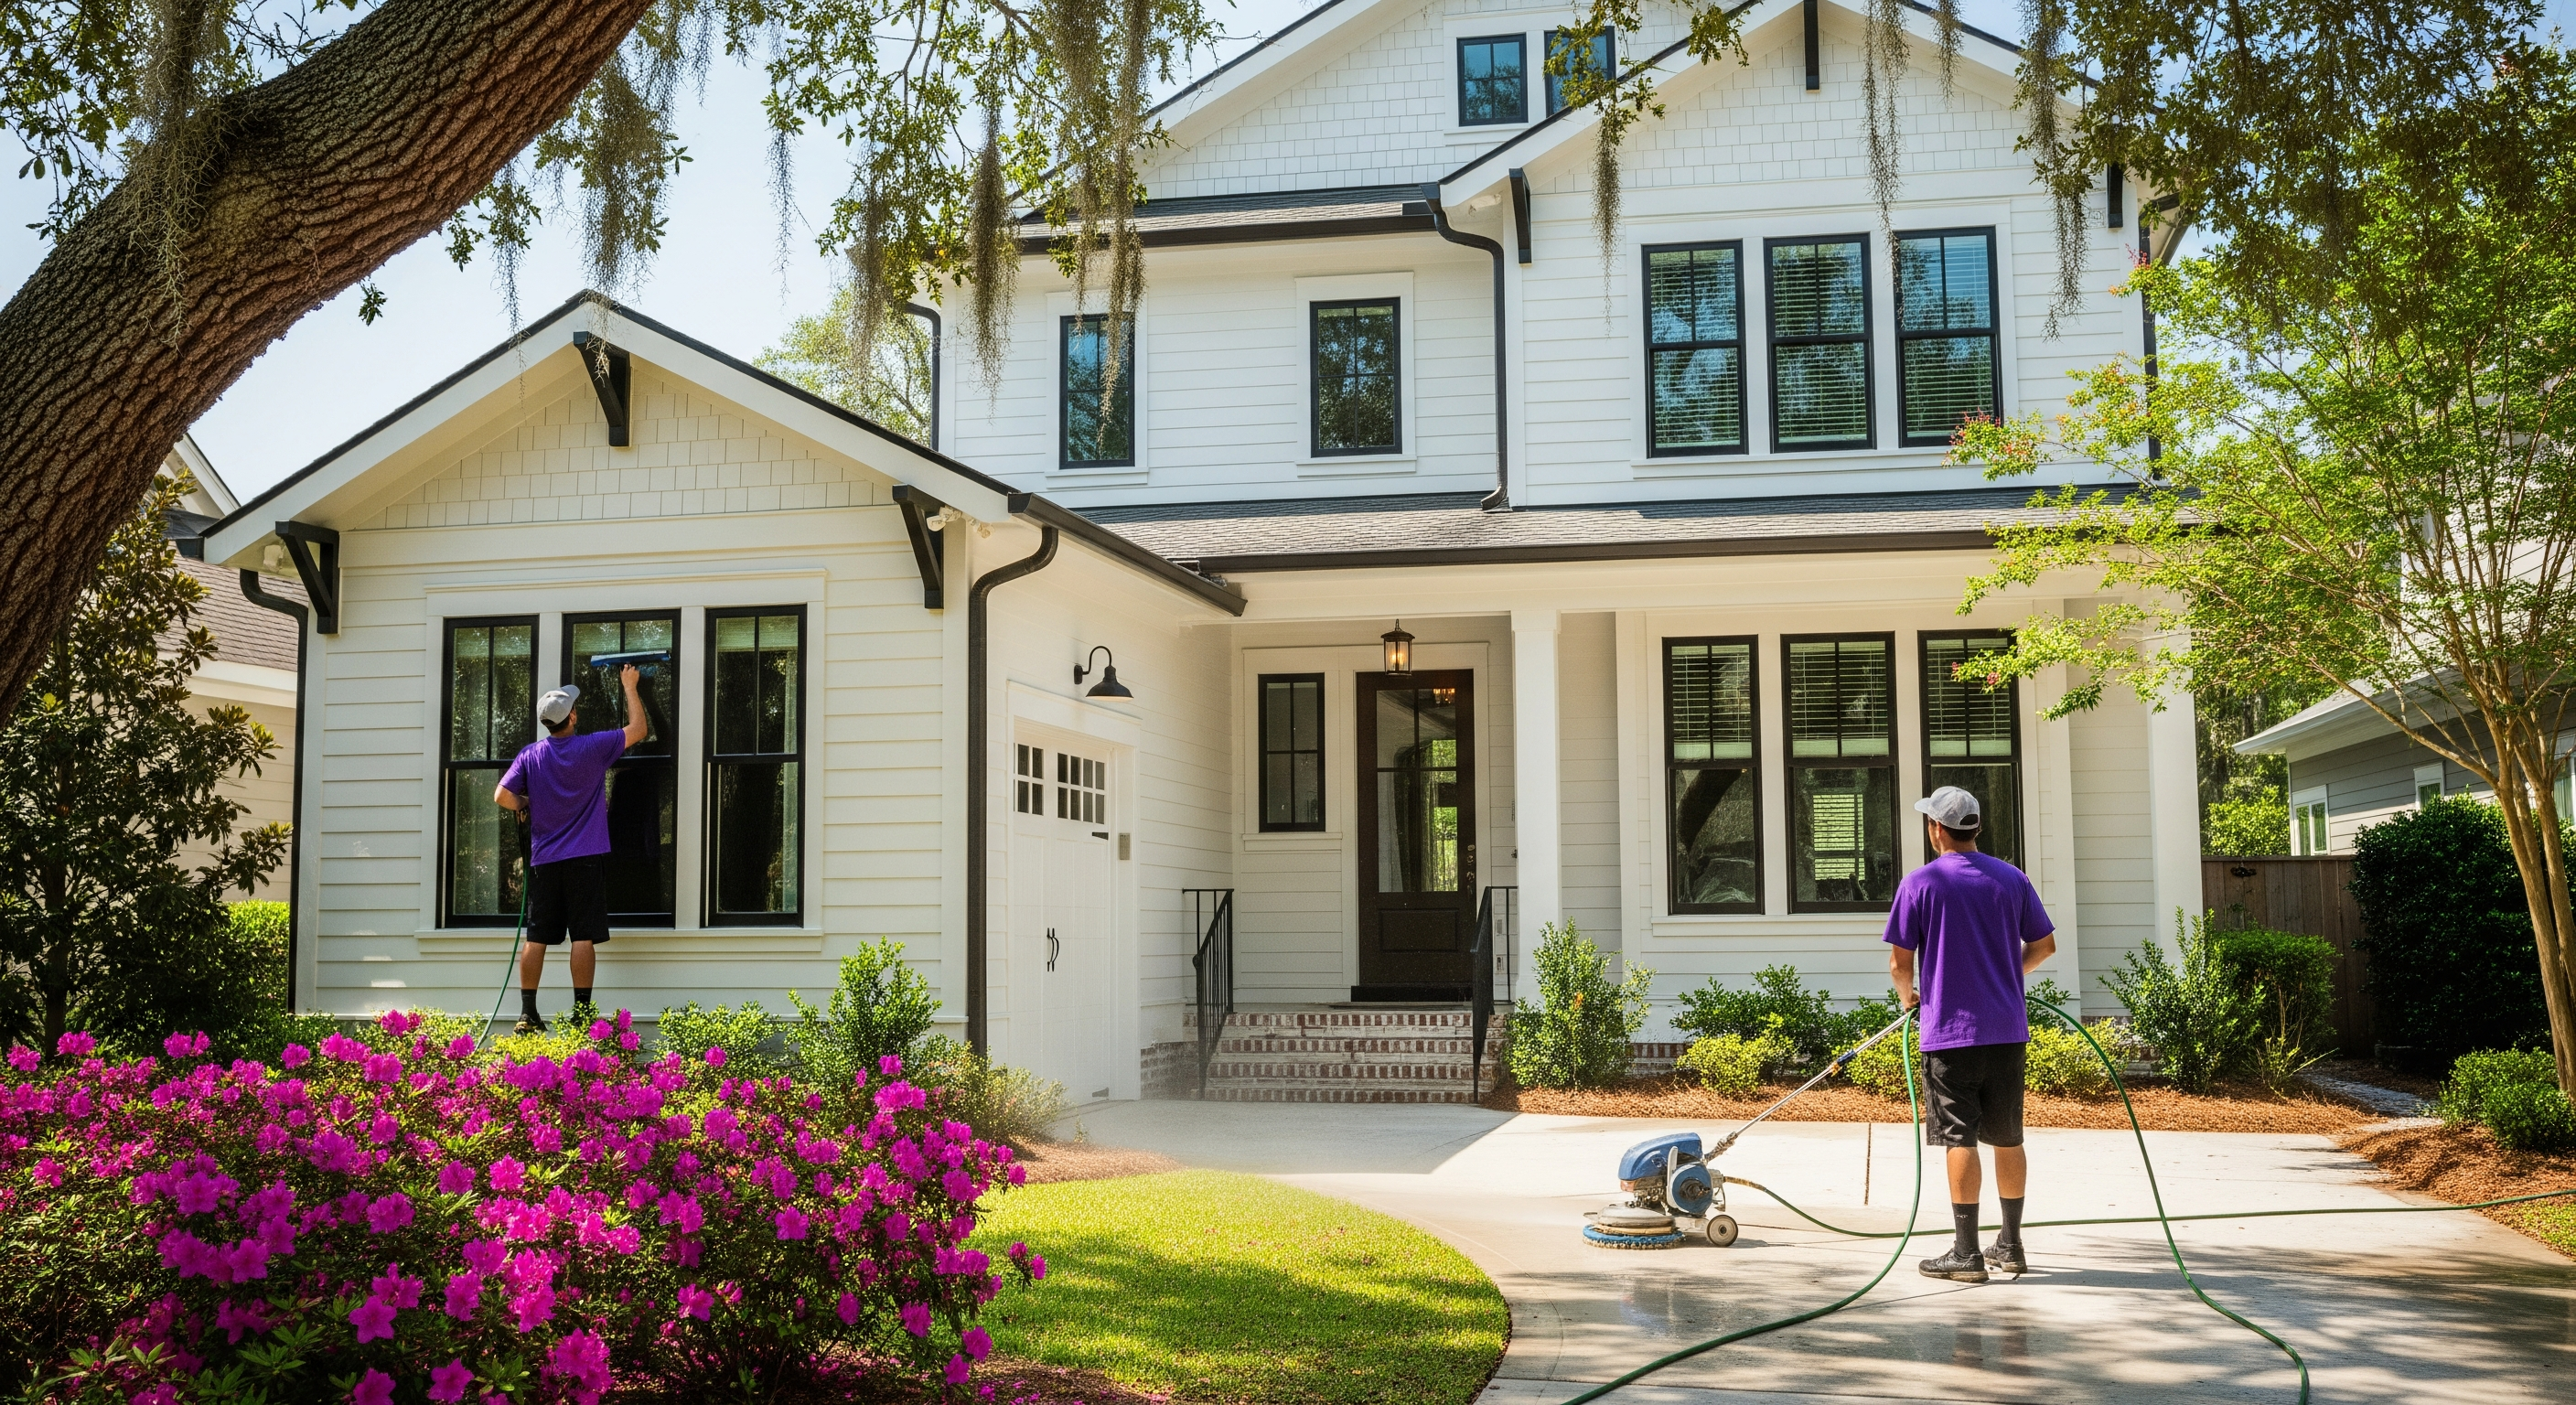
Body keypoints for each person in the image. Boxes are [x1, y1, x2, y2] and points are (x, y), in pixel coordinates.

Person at [1884, 784, 2058, 1283]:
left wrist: (1909, 996)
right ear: (1975, 828)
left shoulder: (1921, 883)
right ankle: (2012, 1244)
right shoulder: (2012, 880)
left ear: (1937, 829)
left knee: (1959, 1135)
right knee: (2007, 1135)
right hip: (2007, 1029)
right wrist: (2006, 974)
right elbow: (2044, 946)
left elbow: (1899, 962)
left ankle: (1966, 1253)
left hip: (1950, 1033)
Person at [496, 664, 648, 1033]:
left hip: (544, 860)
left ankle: (527, 1014)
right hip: (584, 859)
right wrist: (630, 686)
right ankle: (581, 1014)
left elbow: (502, 796)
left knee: (537, 936)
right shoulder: (592, 747)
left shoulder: (530, 755)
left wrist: (526, 805)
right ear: (572, 716)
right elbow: (639, 730)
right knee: (582, 935)